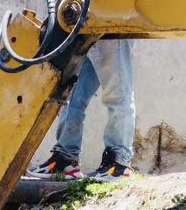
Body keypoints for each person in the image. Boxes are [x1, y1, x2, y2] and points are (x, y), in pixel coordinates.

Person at [28, 38, 136, 181]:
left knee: (118, 96)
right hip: (88, 31)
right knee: (71, 96)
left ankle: (119, 165)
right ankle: (65, 159)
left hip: (114, 32)